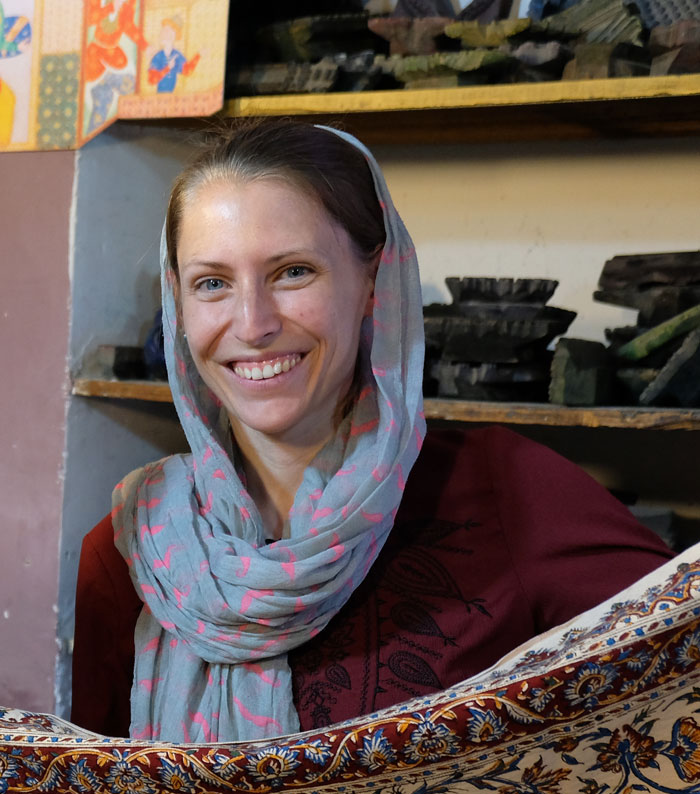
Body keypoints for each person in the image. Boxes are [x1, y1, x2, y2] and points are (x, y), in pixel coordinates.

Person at [71, 119, 670, 742]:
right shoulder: (132, 552)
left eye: (293, 272)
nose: (252, 324)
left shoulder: (508, 495)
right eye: (212, 283)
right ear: (178, 304)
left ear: (372, 284)